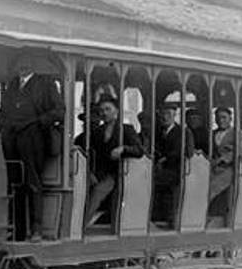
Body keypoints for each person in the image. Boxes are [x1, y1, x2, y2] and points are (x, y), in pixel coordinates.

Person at [0, 52, 63, 241]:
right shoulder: (12, 86)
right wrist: (3, 123)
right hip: (11, 139)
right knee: (14, 183)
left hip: (34, 139)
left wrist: (38, 123)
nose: (22, 66)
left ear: (33, 64)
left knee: (33, 183)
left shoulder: (46, 84)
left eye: (26, 62)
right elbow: (3, 111)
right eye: (20, 63)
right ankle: (17, 230)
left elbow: (59, 111)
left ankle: (36, 230)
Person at [83, 97, 143, 226]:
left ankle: (82, 224)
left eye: (107, 109)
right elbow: (91, 153)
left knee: (98, 191)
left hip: (117, 173)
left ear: (116, 111)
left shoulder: (126, 129)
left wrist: (123, 149)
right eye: (102, 110)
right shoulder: (97, 132)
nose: (104, 113)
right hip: (99, 172)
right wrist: (91, 172)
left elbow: (139, 150)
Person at [152, 102, 194, 225]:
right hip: (161, 168)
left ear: (175, 115)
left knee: (151, 181)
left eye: (168, 114)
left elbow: (188, 152)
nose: (165, 117)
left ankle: (164, 218)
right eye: (163, 114)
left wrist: (165, 159)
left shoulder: (184, 132)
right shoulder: (158, 131)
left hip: (177, 170)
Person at [208, 107, 242, 214]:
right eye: (218, 118)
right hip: (213, 168)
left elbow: (240, 152)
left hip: (230, 169)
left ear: (230, 119)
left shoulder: (238, 133)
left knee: (211, 188)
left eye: (224, 117)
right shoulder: (213, 133)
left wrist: (222, 160)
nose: (221, 120)